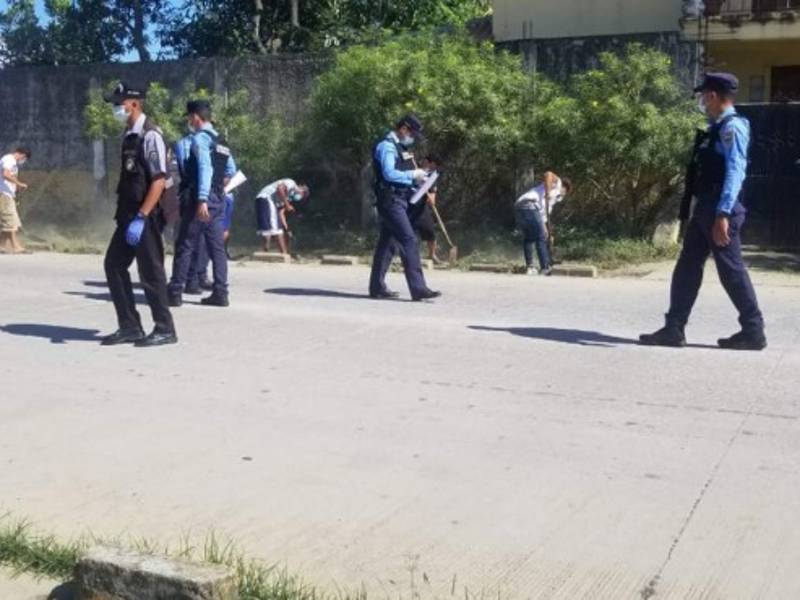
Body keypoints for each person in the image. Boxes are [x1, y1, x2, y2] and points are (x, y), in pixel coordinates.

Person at [640, 72, 766, 351]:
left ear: (712, 95)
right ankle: (674, 328)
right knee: (687, 266)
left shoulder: (732, 127)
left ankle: (753, 330)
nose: (701, 101)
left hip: (720, 208)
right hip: (706, 207)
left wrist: (723, 213)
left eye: (703, 96)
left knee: (731, 270)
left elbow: (736, 170)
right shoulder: (716, 127)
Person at [101, 81, 177, 347]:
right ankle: (130, 326)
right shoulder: (129, 134)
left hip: (145, 215)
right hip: (127, 214)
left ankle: (165, 329)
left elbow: (158, 180)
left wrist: (142, 216)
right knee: (113, 265)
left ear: (133, 103)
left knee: (150, 271)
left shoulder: (150, 135)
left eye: (118, 103)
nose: (115, 108)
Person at [168, 100, 236, 308]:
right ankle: (221, 293)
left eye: (190, 117)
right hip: (218, 200)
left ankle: (175, 292)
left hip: (200, 200)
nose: (189, 121)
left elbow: (205, 168)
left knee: (185, 244)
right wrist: (216, 189)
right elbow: (231, 170)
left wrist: (202, 198)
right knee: (217, 249)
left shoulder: (200, 139)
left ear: (195, 117)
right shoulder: (221, 141)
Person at [368, 114, 440, 301]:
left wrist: (419, 180)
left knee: (387, 243)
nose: (413, 138)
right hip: (390, 200)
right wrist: (412, 175)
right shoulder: (387, 146)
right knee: (408, 239)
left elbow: (401, 173)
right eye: (412, 134)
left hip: (399, 199)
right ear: (403, 129)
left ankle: (377, 287)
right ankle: (419, 289)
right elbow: (389, 174)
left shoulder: (400, 147)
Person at [514, 171, 571, 276]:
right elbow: (548, 174)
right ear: (564, 188)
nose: (563, 196)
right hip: (530, 204)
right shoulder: (557, 183)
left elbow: (542, 218)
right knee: (540, 237)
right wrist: (548, 192)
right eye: (565, 192)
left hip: (521, 207)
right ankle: (545, 267)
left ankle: (530, 267)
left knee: (530, 238)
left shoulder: (550, 204)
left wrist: (547, 232)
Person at [255, 179, 309, 255]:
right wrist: (287, 205)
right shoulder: (291, 183)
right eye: (302, 194)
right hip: (267, 198)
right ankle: (284, 254)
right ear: (301, 189)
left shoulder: (287, 197)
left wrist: (287, 228)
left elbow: (280, 214)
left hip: (262, 200)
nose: (300, 196)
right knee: (277, 230)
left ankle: (265, 252)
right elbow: (280, 188)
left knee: (267, 229)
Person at [410, 154, 444, 264]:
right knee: (408, 232)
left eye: (433, 165)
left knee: (430, 231)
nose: (426, 163)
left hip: (422, 207)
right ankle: (408, 256)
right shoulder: (412, 169)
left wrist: (431, 196)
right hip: (407, 205)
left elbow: (432, 197)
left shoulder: (431, 176)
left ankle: (432, 255)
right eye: (425, 161)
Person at [0, 147, 32, 254]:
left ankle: (1, 245)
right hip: (4, 194)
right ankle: (16, 247)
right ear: (21, 154)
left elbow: (10, 177)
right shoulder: (9, 159)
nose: (23, 160)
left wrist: (16, 188)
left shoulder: (12, 162)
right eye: (24, 158)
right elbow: (5, 174)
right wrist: (19, 184)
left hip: (8, 195)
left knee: (8, 222)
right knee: (11, 221)